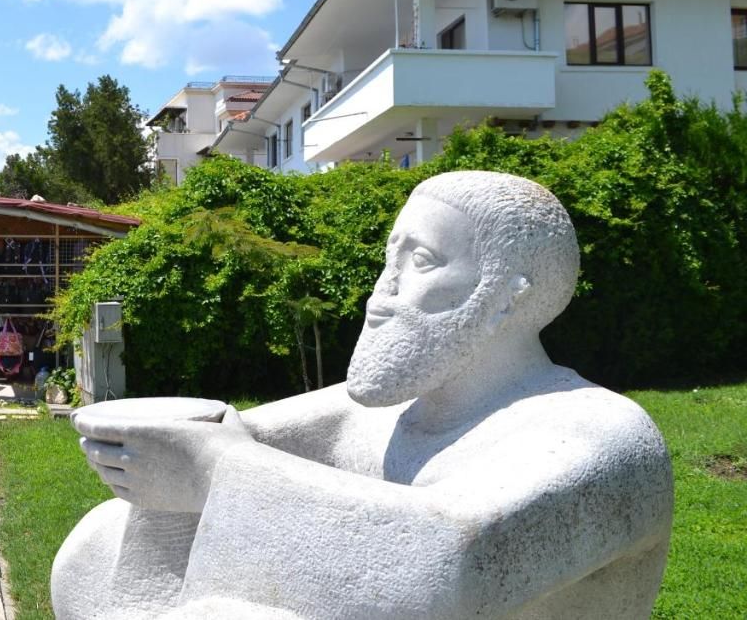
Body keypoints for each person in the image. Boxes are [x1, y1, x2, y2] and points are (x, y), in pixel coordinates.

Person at [53, 171, 674, 620]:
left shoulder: (603, 438)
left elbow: (454, 559)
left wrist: (217, 471)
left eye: (421, 262)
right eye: (387, 261)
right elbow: (230, 437)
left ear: (510, 295)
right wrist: (174, 447)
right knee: (103, 543)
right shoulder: (393, 410)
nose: (381, 295)